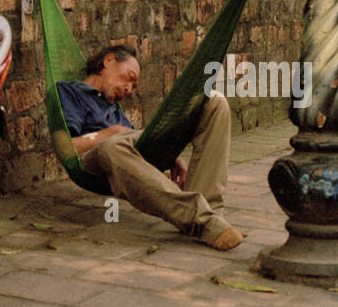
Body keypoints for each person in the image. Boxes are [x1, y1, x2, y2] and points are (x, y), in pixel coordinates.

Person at [56, 42, 244, 250]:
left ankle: (211, 213)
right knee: (112, 146)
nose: (129, 89)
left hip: (128, 149)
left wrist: (172, 157)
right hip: (97, 158)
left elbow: (136, 148)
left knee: (214, 102)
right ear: (108, 61)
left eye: (134, 87)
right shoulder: (69, 92)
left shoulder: (115, 110)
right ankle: (201, 219)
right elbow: (69, 147)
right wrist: (109, 134)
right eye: (130, 78)